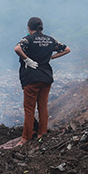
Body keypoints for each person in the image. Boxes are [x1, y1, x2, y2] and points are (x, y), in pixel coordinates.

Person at [13, 16, 70, 145]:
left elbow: (17, 49)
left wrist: (27, 59)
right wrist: (52, 57)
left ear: (29, 28)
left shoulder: (28, 39)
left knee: (29, 108)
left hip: (31, 78)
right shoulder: (50, 40)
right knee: (43, 107)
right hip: (46, 77)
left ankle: (26, 137)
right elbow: (67, 49)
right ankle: (42, 133)